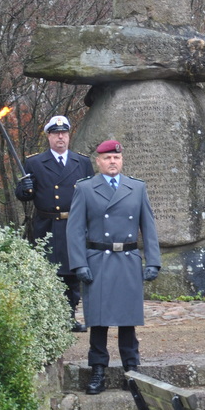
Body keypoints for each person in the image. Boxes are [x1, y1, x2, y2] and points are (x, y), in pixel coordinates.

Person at [66, 140, 161, 395]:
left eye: (116, 158)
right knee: (98, 321)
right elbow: (75, 230)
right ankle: (98, 371)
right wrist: (79, 263)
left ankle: (132, 369)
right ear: (98, 161)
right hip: (98, 259)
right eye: (107, 158)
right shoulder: (85, 188)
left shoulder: (137, 188)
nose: (112, 162)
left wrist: (153, 261)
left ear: (122, 160)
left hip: (128, 260)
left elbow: (148, 227)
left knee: (127, 320)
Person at [14, 115, 92, 332]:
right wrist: (25, 189)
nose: (60, 137)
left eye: (64, 133)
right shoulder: (35, 163)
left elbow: (92, 194)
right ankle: (50, 319)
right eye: (56, 133)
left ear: (69, 136)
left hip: (74, 226)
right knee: (50, 273)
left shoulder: (82, 162)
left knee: (73, 273)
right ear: (48, 136)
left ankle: (69, 317)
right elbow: (23, 195)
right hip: (46, 226)